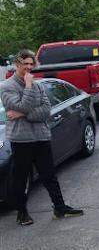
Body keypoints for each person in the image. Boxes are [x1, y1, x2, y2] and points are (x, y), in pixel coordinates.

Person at [0, 50, 84, 226]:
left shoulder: (39, 86)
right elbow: (23, 104)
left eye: (32, 64)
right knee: (21, 177)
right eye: (25, 64)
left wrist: (24, 114)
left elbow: (46, 110)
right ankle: (22, 213)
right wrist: (28, 88)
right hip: (21, 139)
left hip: (41, 136)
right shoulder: (7, 86)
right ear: (17, 64)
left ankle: (60, 208)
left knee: (49, 174)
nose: (29, 67)